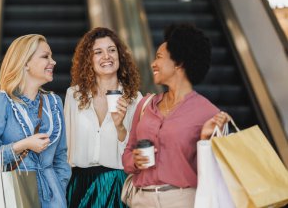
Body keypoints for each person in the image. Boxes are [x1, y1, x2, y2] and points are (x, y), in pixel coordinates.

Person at [122, 24, 230, 207]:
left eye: (159, 58)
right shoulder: (145, 105)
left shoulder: (209, 113)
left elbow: (213, 174)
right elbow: (127, 153)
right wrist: (135, 160)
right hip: (142, 199)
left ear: (179, 63)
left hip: (182, 200)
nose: (153, 64)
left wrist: (205, 139)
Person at [0, 34, 71, 207]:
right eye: (45, 56)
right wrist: (23, 145)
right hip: (13, 196)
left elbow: (61, 156)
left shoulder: (54, 102)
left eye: (52, 56)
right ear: (25, 63)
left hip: (53, 199)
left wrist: (59, 189)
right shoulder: (1, 102)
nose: (53, 61)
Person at [65, 27, 143, 208]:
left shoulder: (134, 99)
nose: (106, 56)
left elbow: (134, 152)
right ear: (88, 60)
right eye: (98, 52)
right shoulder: (74, 96)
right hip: (79, 185)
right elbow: (66, 147)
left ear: (120, 55)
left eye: (112, 50)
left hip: (117, 183)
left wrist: (120, 127)